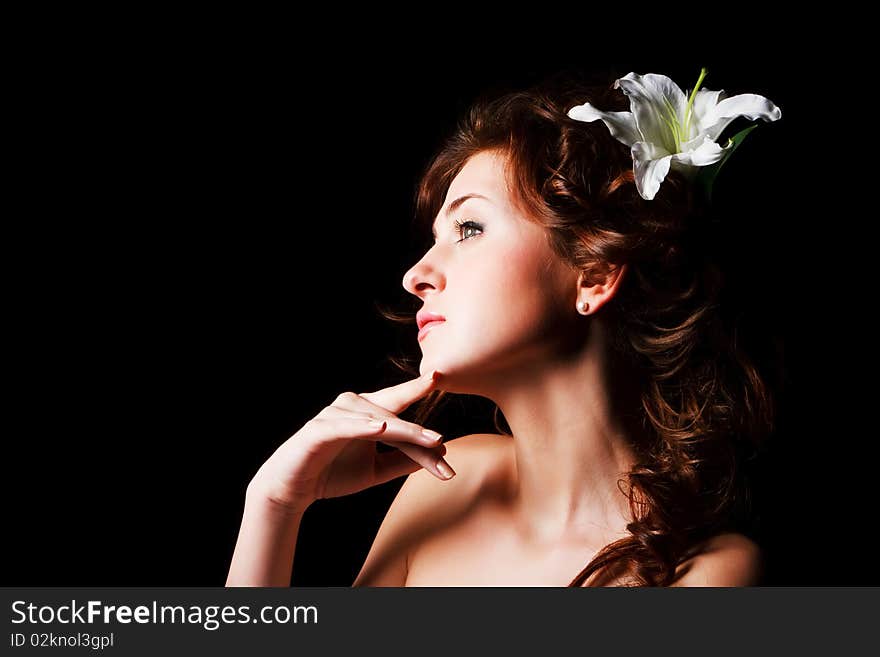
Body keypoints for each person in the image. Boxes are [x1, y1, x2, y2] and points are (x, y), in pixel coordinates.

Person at [226, 68, 781, 587]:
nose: (415, 275)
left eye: (468, 227)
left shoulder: (703, 575)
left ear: (593, 273)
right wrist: (275, 504)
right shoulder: (448, 484)